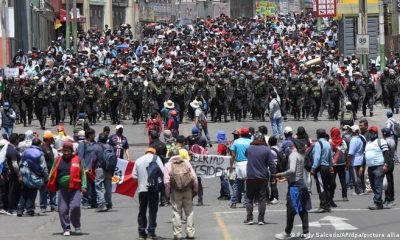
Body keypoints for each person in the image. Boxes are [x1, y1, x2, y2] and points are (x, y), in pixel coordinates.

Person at [47, 141, 87, 236]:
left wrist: (84, 185)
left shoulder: (77, 159)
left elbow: (83, 173)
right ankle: (66, 228)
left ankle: (77, 225)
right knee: (62, 209)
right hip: (62, 189)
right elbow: (52, 172)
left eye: (68, 151)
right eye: (64, 150)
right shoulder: (58, 160)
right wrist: (49, 184)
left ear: (71, 151)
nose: (66, 153)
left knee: (75, 207)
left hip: (75, 188)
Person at [274, 141, 311, 240]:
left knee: (291, 209)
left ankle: (287, 232)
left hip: (295, 187)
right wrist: (286, 178)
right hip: (301, 185)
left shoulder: (293, 155)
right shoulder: (300, 155)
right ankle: (306, 232)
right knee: (303, 209)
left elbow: (292, 170)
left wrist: (280, 174)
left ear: (289, 148)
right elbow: (298, 172)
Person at [164, 148, 198, 240]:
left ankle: (178, 234)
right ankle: (190, 233)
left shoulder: (168, 165)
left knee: (177, 212)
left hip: (175, 191)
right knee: (189, 212)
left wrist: (167, 195)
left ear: (170, 155)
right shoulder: (186, 162)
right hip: (187, 190)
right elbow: (194, 177)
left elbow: (166, 182)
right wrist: (195, 189)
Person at [244, 132, 276, 225]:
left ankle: (249, 219)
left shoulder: (249, 148)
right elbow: (272, 165)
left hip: (250, 177)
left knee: (249, 198)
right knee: (262, 199)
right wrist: (273, 175)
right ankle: (261, 219)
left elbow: (247, 156)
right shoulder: (267, 150)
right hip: (263, 178)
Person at [133, 147, 165, 240]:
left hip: (142, 189)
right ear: (153, 152)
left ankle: (142, 232)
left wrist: (141, 179)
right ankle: (151, 232)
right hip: (153, 188)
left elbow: (133, 176)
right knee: (152, 211)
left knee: (142, 210)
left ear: (146, 152)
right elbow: (162, 172)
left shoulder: (138, 160)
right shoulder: (156, 158)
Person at [17, 138, 49, 216]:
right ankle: (30, 210)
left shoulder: (25, 151)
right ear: (39, 144)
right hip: (35, 176)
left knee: (23, 192)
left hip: (25, 175)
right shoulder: (40, 153)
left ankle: (20, 210)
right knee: (32, 192)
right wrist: (46, 178)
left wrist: (20, 174)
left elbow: (20, 163)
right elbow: (43, 167)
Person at [362, 126, 391, 210]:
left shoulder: (381, 141)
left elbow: (386, 153)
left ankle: (377, 202)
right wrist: (362, 166)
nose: (371, 133)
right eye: (370, 132)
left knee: (378, 184)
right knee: (373, 185)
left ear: (376, 133)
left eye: (373, 132)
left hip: (379, 166)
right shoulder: (368, 143)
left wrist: (386, 164)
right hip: (370, 167)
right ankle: (379, 202)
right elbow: (365, 155)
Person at [77, 128, 102, 209]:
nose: (95, 136)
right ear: (89, 135)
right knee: (86, 186)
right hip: (86, 170)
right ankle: (85, 202)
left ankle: (94, 202)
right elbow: (80, 157)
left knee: (94, 186)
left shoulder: (95, 144)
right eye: (93, 134)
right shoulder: (83, 144)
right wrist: (84, 168)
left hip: (94, 169)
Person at [310, 129, 334, 212]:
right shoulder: (328, 143)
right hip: (327, 167)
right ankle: (327, 204)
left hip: (320, 168)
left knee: (321, 187)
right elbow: (331, 157)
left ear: (318, 135)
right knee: (326, 186)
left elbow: (317, 157)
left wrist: (313, 168)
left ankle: (323, 205)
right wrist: (331, 166)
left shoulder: (318, 144)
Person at [229, 127, 252, 208]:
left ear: (241, 134)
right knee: (248, 184)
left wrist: (231, 166)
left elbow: (233, 156)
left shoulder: (236, 142)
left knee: (237, 184)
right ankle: (246, 202)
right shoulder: (251, 142)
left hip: (239, 164)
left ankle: (233, 202)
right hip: (248, 164)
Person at [95, 133, 115, 212]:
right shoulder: (111, 147)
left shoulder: (98, 147)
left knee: (98, 187)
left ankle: (102, 204)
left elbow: (95, 158)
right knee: (108, 187)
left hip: (100, 169)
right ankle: (109, 203)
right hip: (110, 169)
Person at [2, 134, 21, 215]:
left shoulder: (7, 148)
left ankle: (9, 207)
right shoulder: (12, 151)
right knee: (12, 191)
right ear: (16, 140)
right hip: (13, 173)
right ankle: (11, 209)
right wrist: (19, 175)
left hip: (7, 172)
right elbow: (15, 165)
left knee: (8, 190)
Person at [40, 131, 58, 213]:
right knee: (44, 190)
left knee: (53, 189)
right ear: (49, 139)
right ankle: (43, 206)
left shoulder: (50, 147)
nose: (53, 140)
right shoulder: (42, 148)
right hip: (44, 173)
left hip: (52, 172)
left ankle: (53, 205)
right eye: (52, 138)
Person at [329, 127, 348, 202]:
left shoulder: (330, 141)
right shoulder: (343, 141)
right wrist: (347, 162)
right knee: (343, 180)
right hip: (342, 163)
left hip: (333, 164)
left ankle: (331, 196)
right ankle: (344, 196)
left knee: (332, 181)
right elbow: (346, 152)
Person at [347, 125, 367, 195]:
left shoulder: (353, 140)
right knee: (361, 176)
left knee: (356, 176)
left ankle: (359, 190)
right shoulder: (362, 137)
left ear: (353, 132)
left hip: (355, 160)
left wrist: (348, 162)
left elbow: (351, 153)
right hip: (362, 159)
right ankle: (363, 189)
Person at [381, 128, 396, 207]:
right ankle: (391, 198)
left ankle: (388, 199)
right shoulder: (392, 140)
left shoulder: (386, 141)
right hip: (391, 161)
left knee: (387, 181)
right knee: (390, 180)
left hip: (388, 161)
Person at [216, 131, 230, 200]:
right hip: (225, 163)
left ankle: (226, 194)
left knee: (224, 179)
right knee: (223, 179)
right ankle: (222, 193)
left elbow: (219, 155)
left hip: (222, 164)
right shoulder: (225, 143)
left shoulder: (221, 145)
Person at [268, 136, 280, 204]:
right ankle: (272, 197)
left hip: (273, 167)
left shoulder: (271, 151)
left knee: (273, 183)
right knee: (274, 182)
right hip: (278, 167)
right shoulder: (278, 148)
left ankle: (275, 197)